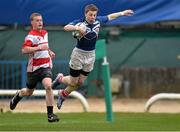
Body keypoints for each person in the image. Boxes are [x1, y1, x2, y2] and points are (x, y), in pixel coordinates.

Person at [52, 4, 134, 110]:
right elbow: (66, 27)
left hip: (91, 55)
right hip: (78, 54)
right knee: (73, 82)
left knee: (80, 82)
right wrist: (77, 28)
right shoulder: (80, 22)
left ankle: (63, 94)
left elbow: (110, 16)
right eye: (90, 15)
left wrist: (122, 13)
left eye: (94, 15)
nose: (93, 17)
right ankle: (60, 79)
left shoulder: (98, 21)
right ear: (85, 14)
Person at [10, 13, 59, 123]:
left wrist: (49, 51)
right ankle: (18, 95)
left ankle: (50, 115)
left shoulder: (45, 33)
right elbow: (24, 50)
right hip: (33, 70)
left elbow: (45, 45)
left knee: (48, 86)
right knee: (28, 92)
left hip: (45, 67)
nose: (40, 22)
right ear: (32, 22)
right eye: (37, 20)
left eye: (41, 20)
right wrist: (40, 48)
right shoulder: (30, 36)